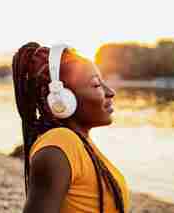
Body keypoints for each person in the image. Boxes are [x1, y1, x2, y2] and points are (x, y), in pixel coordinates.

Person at [12, 42, 130, 213]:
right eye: (96, 85)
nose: (110, 92)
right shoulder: (59, 145)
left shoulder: (79, 142)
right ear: (61, 100)